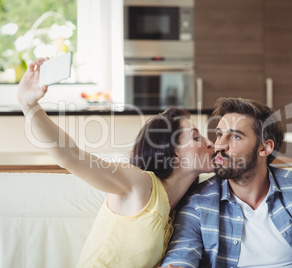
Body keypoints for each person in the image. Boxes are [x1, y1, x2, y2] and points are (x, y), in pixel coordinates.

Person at [17, 58, 214, 267]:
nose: (209, 142)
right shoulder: (140, 184)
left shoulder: (177, 210)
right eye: (196, 137)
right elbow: (71, 155)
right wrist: (29, 105)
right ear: (172, 152)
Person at [161, 97, 292, 268]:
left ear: (265, 148)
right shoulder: (198, 202)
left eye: (235, 136)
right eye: (220, 134)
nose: (219, 145)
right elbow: (182, 254)